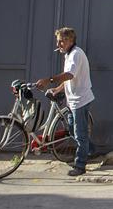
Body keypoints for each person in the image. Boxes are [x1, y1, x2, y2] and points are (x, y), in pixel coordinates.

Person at [37, 27, 95, 176]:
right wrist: (57, 89)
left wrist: (48, 80)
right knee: (72, 130)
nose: (59, 45)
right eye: (58, 41)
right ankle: (90, 151)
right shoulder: (68, 55)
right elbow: (70, 79)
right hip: (72, 101)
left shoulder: (76, 54)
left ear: (70, 40)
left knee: (79, 134)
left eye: (61, 41)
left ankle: (80, 166)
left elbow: (69, 74)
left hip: (80, 101)